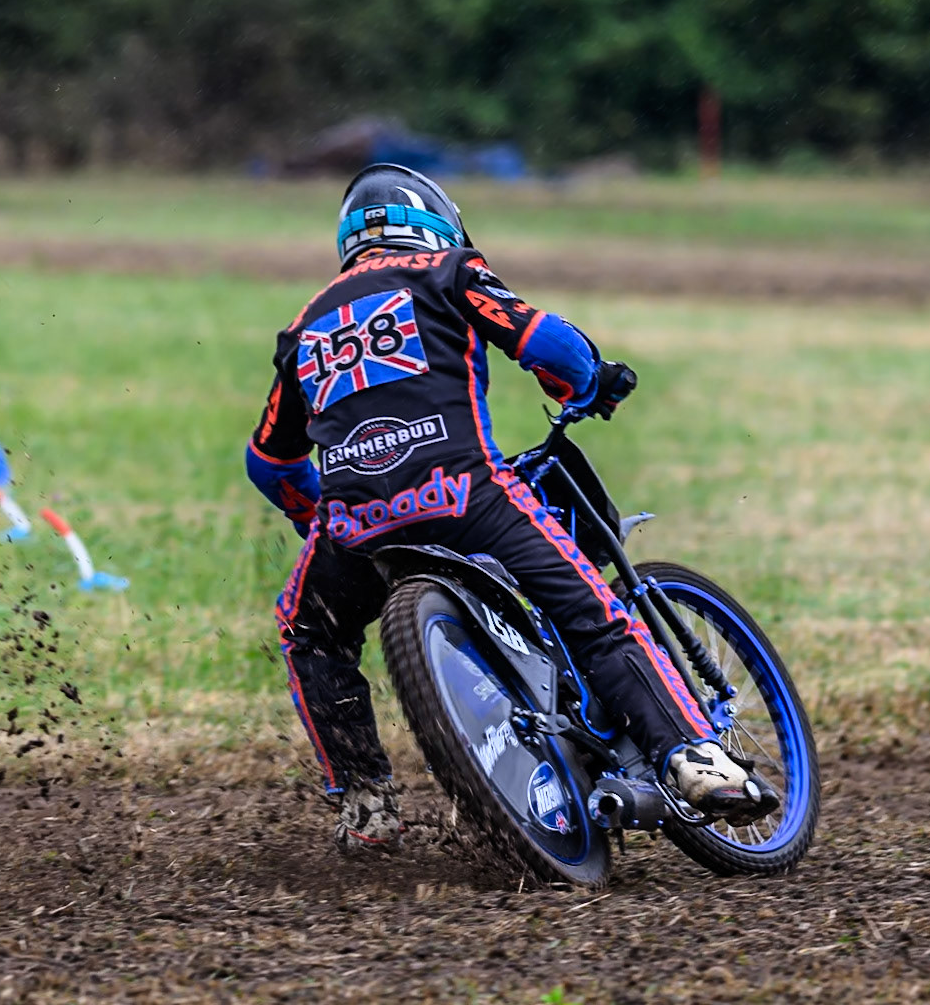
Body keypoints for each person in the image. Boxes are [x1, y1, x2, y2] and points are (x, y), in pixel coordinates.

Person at [246, 164, 779, 852]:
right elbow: (545, 343)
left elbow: (270, 461)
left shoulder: (304, 325)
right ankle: (693, 758)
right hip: (468, 496)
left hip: (355, 526)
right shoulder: (448, 270)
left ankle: (366, 799)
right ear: (436, 220)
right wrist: (591, 379)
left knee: (308, 631)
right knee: (594, 614)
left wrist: (318, 515)